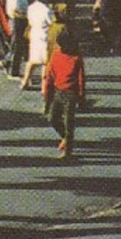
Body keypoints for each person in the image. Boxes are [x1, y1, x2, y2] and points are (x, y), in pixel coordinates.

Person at [42, 27, 87, 158]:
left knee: (69, 123)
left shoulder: (76, 59)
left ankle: (68, 151)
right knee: (52, 118)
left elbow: (81, 80)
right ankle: (65, 139)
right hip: (58, 91)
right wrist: (47, 94)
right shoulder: (56, 55)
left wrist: (81, 97)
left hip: (70, 94)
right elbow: (49, 75)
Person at [1, 0, 30, 77]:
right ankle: (13, 72)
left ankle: (6, 63)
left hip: (19, 20)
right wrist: (26, 14)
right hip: (17, 21)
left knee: (16, 45)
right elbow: (15, 9)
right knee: (17, 47)